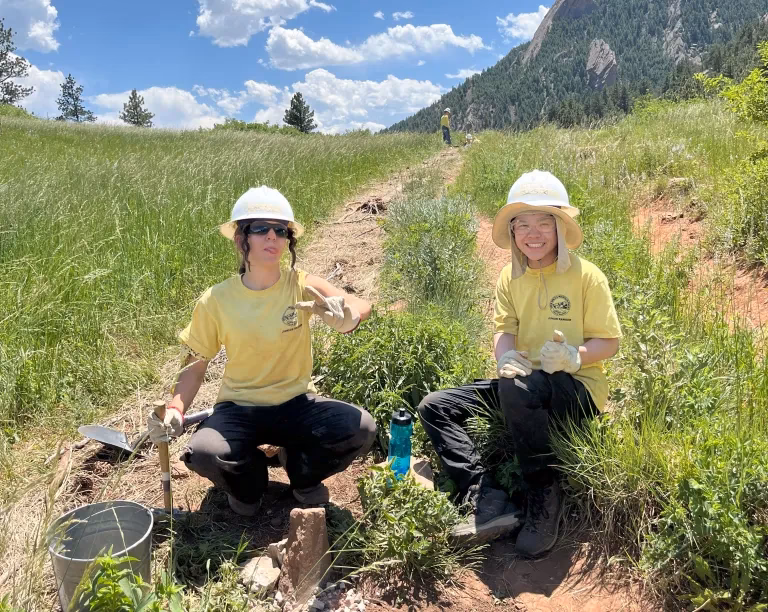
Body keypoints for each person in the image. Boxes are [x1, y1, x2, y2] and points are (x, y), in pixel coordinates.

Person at [417, 170, 621, 556]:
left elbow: (609, 341)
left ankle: (544, 492)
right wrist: (505, 356)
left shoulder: (587, 276)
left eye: (544, 222)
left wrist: (575, 356)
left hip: (576, 390)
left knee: (520, 387)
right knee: (435, 406)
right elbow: (503, 329)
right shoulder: (510, 277)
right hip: (522, 384)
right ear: (512, 232)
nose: (533, 233)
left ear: (561, 226)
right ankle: (486, 494)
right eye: (522, 224)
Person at [147, 186, 377, 515]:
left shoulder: (301, 284)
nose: (272, 236)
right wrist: (176, 410)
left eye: (281, 230)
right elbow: (195, 365)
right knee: (202, 452)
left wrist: (349, 316)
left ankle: (302, 473)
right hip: (239, 408)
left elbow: (359, 302)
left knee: (361, 427)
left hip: (296, 403)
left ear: (288, 240)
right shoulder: (216, 300)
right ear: (242, 239)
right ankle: (250, 486)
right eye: (260, 228)